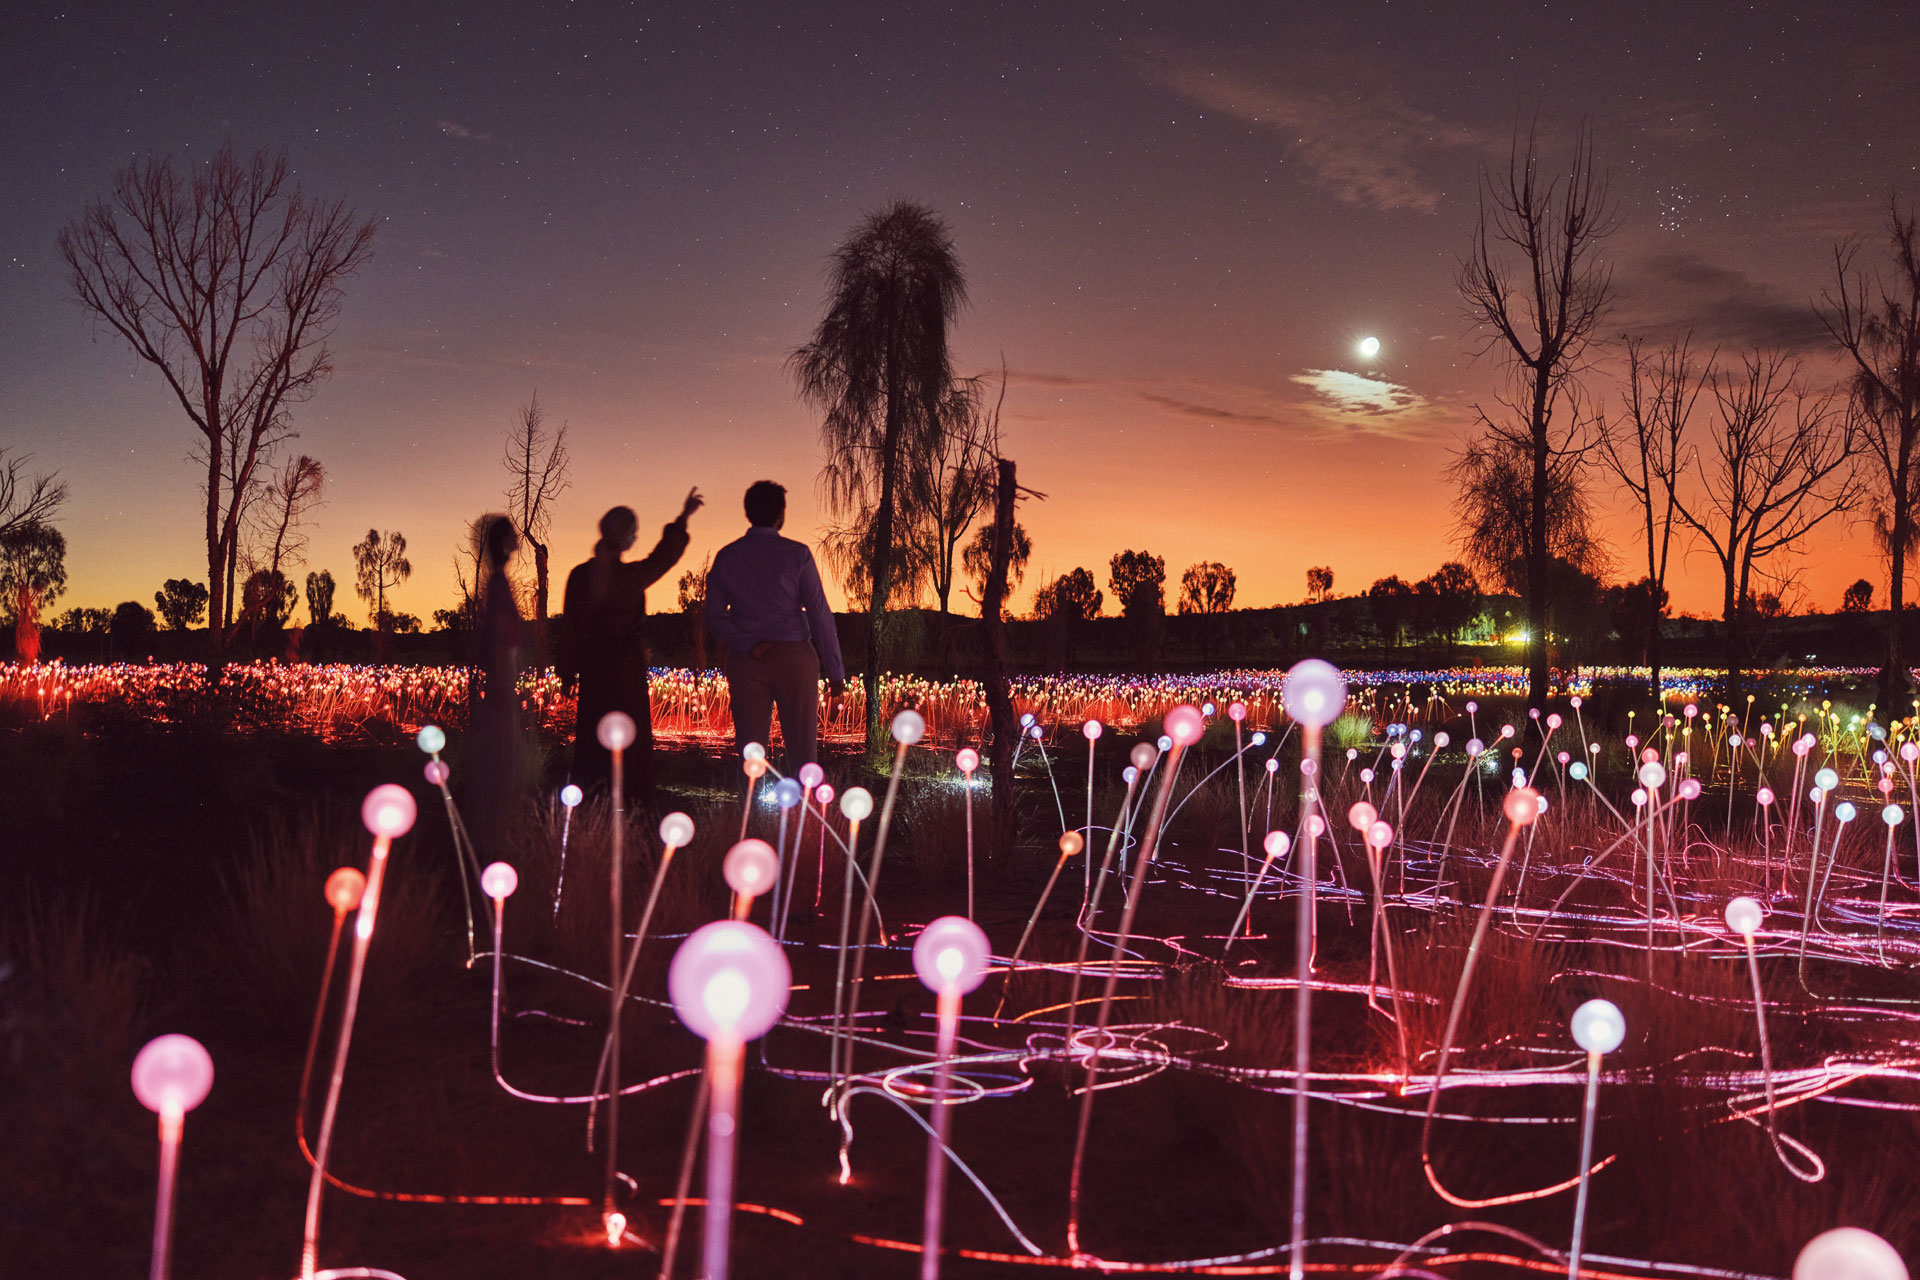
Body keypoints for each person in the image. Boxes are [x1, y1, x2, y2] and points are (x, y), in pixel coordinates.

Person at [557, 491, 701, 801]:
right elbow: (663, 558)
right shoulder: (629, 578)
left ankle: (593, 800)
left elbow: (569, 628)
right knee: (630, 741)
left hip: (593, 670)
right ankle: (631, 800)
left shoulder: (580, 576)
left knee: (593, 740)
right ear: (627, 538)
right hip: (625, 671)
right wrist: (683, 518)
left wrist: (567, 674)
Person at [704, 480, 846, 770]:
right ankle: (802, 812)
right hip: (794, 656)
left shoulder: (727, 556)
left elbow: (714, 617)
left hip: (747, 659)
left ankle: (750, 811)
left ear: (748, 512)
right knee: (803, 748)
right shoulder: (797, 554)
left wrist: (748, 644)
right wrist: (835, 671)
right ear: (781, 513)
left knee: (750, 750)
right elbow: (820, 614)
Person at [469, 513, 525, 861]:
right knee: (502, 766)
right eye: (512, 535)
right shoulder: (498, 585)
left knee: (499, 765)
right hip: (502, 687)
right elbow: (500, 641)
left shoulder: (494, 583)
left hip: (500, 685)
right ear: (504, 543)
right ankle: (495, 843)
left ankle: (493, 838)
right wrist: (504, 689)